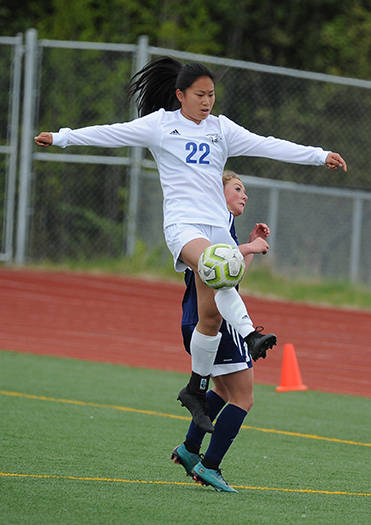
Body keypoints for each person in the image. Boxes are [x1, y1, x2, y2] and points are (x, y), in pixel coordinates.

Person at [34, 57, 347, 442]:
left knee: (211, 319)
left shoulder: (221, 129)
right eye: (199, 94)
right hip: (183, 227)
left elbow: (268, 145)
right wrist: (61, 137)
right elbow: (110, 133)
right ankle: (249, 334)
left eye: (211, 94)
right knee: (220, 266)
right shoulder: (161, 125)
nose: (207, 101)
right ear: (180, 95)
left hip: (217, 228)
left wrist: (319, 155)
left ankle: (195, 390)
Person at [172, 171, 271, 492]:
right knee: (244, 398)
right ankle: (209, 466)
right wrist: (251, 244)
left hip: (200, 321)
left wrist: (250, 249)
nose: (244, 195)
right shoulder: (207, 225)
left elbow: (231, 274)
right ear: (218, 193)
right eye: (237, 189)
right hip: (217, 324)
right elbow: (218, 261)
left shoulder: (220, 227)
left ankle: (189, 449)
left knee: (226, 392)